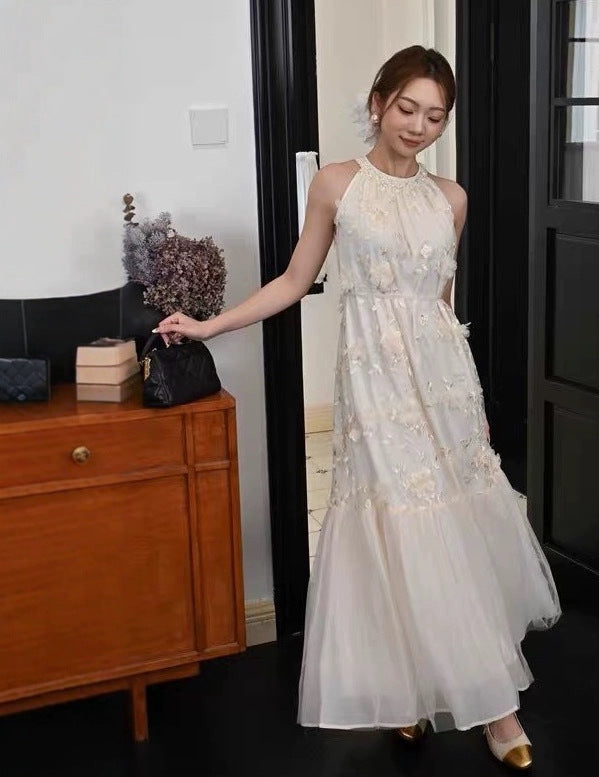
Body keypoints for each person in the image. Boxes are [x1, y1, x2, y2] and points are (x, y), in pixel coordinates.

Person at [154, 45, 562, 771]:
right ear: (377, 103)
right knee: (397, 528)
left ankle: (486, 706)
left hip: (441, 383)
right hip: (373, 386)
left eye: (434, 116)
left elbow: (441, 302)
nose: (418, 126)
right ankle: (438, 697)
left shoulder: (451, 198)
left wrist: (467, 400)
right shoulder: (336, 185)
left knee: (453, 525)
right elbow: (294, 280)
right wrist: (211, 325)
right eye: (407, 108)